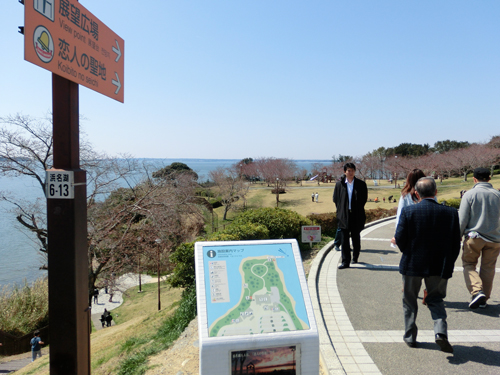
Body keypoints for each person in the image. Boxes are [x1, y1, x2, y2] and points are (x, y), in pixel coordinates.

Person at [395, 177, 460, 353]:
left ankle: (410, 337)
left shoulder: (409, 212)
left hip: (412, 264)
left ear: (416, 194)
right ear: (436, 192)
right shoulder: (451, 213)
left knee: (409, 301)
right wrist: (449, 264)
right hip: (439, 266)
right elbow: (456, 244)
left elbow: (400, 240)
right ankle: (440, 333)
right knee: (436, 299)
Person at [458, 168, 500, 309]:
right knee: (488, 268)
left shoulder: (469, 195)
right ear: (489, 179)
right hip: (495, 238)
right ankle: (484, 299)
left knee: (469, 264)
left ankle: (477, 292)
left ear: (474, 179)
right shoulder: (497, 195)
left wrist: (457, 236)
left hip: (474, 237)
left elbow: (462, 220)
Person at [333, 163, 368, 269]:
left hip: (356, 215)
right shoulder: (340, 185)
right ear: (344, 172)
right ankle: (345, 261)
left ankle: (355, 257)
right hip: (344, 215)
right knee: (344, 239)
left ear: (355, 171)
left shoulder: (361, 184)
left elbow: (364, 199)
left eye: (352, 170)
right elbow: (335, 199)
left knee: (355, 237)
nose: (350, 172)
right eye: (348, 170)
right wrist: (341, 210)